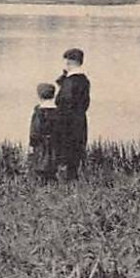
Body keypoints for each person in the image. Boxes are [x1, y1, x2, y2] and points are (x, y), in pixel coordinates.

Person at [54, 48, 91, 180]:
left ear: (70, 62)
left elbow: (62, 101)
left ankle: (68, 181)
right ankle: (73, 179)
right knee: (76, 150)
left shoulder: (70, 81)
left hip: (67, 121)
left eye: (66, 62)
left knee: (66, 150)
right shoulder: (84, 80)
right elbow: (85, 102)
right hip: (80, 119)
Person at [28, 82, 61, 181]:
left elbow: (35, 130)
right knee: (53, 166)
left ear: (39, 95)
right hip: (55, 143)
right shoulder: (58, 111)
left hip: (42, 144)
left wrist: (32, 143)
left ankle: (43, 188)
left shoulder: (39, 112)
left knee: (41, 168)